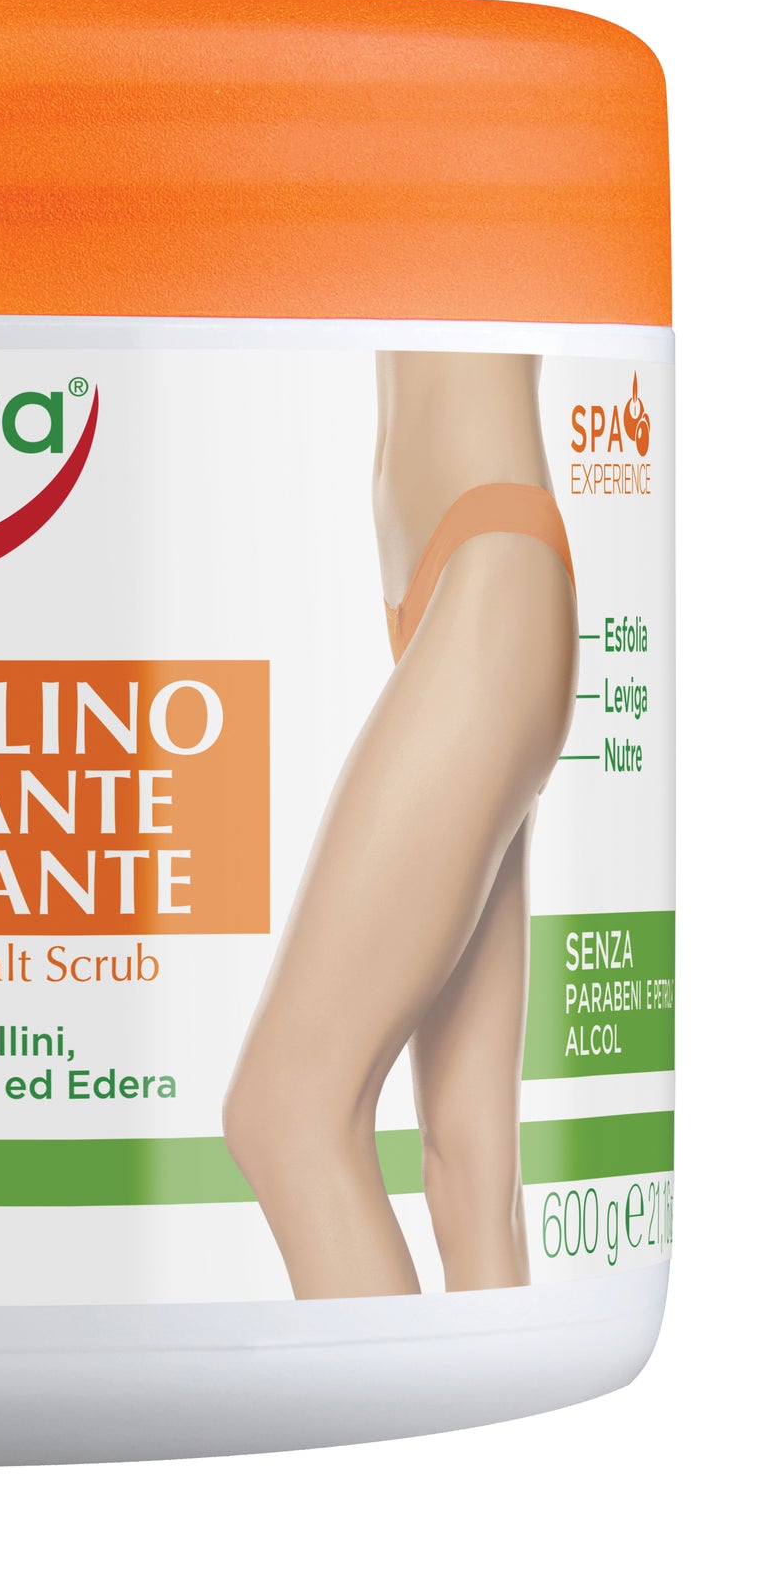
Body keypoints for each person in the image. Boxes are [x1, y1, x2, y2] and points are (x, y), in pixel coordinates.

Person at [224, 352, 577, 1298]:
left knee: (289, 1115)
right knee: (470, 1174)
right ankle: (505, 1401)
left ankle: (373, 1408)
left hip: (490, 571)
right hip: (459, 578)